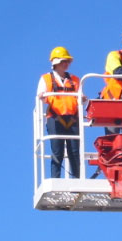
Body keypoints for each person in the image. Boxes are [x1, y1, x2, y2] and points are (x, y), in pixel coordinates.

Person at [37, 46, 80, 178]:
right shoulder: (46, 79)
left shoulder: (75, 80)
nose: (66, 64)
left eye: (67, 61)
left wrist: (82, 98)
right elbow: (40, 95)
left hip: (72, 119)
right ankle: (55, 179)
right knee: (57, 152)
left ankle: (77, 181)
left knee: (74, 152)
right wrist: (43, 95)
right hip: (55, 119)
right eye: (63, 61)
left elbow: (81, 97)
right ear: (56, 63)